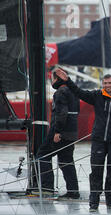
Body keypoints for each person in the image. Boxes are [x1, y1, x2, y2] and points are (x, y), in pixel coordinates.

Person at [55, 68, 111, 212]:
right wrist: (68, 81)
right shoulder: (97, 95)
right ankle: (94, 203)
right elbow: (79, 93)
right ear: (102, 84)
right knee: (96, 172)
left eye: (109, 83)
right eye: (104, 83)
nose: (107, 86)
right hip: (98, 140)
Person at [33, 71, 80, 199]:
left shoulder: (60, 92)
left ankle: (47, 188)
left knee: (42, 155)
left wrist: (57, 131)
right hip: (72, 133)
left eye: (52, 79)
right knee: (66, 160)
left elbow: (62, 113)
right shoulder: (73, 93)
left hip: (60, 132)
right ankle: (73, 191)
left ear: (57, 80)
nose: (52, 82)